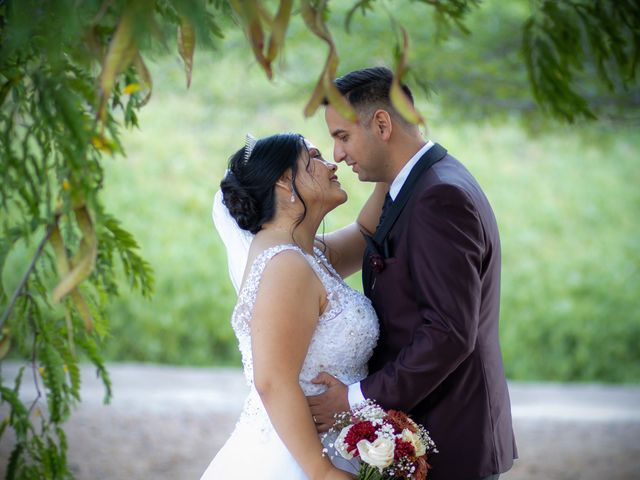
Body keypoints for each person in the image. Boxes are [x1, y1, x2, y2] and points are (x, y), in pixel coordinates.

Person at [307, 66, 517, 480]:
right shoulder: (417, 183)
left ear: (382, 124)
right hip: (427, 433)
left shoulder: (439, 197)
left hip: (450, 433)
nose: (337, 155)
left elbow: (449, 331)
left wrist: (356, 399)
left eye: (342, 136)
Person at [201, 133, 387, 479]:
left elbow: (365, 230)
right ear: (284, 181)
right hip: (295, 460)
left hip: (325, 446)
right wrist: (322, 471)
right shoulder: (286, 265)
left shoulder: (307, 252)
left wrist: (391, 160)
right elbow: (272, 380)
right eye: (314, 157)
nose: (331, 163)